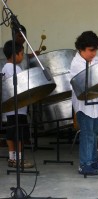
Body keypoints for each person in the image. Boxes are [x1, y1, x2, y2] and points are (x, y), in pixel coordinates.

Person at [70, 31, 98, 175]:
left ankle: (93, 160)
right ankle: (84, 164)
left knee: (95, 132)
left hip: (95, 104)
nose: (94, 53)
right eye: (91, 50)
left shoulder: (96, 60)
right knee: (87, 134)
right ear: (81, 49)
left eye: (95, 50)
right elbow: (88, 81)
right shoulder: (76, 63)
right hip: (84, 106)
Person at [2, 40, 34, 168]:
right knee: (20, 135)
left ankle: (11, 158)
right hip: (18, 108)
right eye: (21, 53)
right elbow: (21, 85)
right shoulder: (14, 68)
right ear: (15, 54)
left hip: (11, 109)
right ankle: (19, 159)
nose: (22, 56)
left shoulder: (5, 67)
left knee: (11, 134)